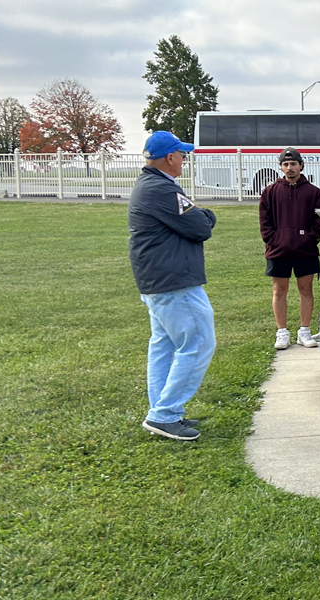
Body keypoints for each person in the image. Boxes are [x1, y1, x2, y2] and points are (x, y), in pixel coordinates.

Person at [129, 131, 217, 442]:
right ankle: (164, 414)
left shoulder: (150, 185)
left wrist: (198, 215)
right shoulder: (162, 188)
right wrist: (205, 214)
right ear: (169, 158)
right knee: (199, 342)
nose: (183, 159)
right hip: (174, 280)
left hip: (157, 279)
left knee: (164, 346)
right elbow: (200, 226)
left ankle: (164, 411)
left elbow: (192, 221)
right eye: (181, 154)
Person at [259, 147, 320, 350]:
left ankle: (304, 331)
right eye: (286, 164)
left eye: (293, 164)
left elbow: (319, 222)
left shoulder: (314, 193)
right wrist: (273, 239)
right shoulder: (270, 192)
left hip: (305, 251)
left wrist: (308, 240)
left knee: (306, 290)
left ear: (301, 165)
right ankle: (282, 332)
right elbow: (265, 221)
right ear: (281, 167)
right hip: (278, 250)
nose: (290, 168)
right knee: (279, 290)